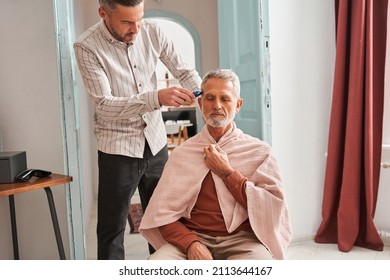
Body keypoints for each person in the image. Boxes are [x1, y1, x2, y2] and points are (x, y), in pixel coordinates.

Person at [73, 0, 201, 260]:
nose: (136, 28)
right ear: (103, 13)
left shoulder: (153, 31)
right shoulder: (86, 46)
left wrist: (204, 95)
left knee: (164, 220)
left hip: (155, 143)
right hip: (117, 149)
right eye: (127, 22)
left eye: (139, 19)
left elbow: (185, 71)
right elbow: (104, 106)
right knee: (112, 229)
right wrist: (155, 98)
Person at [139, 69, 292, 260]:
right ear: (201, 103)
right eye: (210, 98)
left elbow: (272, 208)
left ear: (238, 105)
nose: (217, 105)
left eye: (225, 99)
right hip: (193, 237)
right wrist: (190, 243)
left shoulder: (260, 152)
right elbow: (161, 215)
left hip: (243, 240)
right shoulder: (182, 154)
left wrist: (227, 172)